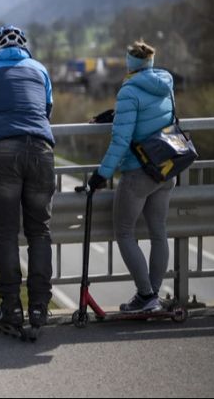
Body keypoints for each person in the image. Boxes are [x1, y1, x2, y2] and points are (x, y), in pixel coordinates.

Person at [0, 24, 55, 338]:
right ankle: (40, 308)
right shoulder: (40, 69)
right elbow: (46, 111)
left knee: (6, 232)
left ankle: (11, 308)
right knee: (39, 231)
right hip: (42, 151)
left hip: (4, 151)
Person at [86, 40, 176, 313]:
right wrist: (116, 115)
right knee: (158, 232)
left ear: (130, 63)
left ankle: (145, 295)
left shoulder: (129, 90)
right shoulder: (165, 82)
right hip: (166, 167)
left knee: (124, 232)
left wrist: (101, 174)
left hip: (138, 172)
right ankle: (154, 296)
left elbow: (121, 140)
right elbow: (154, 115)